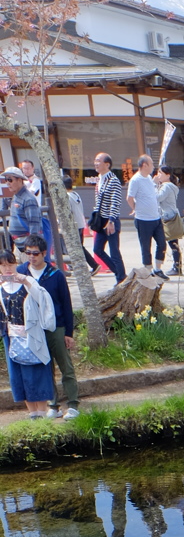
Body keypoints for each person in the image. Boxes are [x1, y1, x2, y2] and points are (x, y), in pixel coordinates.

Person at [17, 234, 79, 417]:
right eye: (27, 253)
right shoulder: (22, 272)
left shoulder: (55, 275)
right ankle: (53, 405)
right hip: (34, 327)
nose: (31, 257)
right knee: (45, 367)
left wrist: (69, 332)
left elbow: (66, 304)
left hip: (56, 326)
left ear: (44, 253)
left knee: (65, 366)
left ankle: (73, 404)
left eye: (35, 253)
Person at [0, 247, 56, 418]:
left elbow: (42, 298)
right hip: (11, 336)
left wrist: (26, 281)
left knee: (38, 371)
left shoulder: (27, 282)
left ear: (16, 264)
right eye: (3, 265)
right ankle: (32, 412)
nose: (7, 268)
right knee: (18, 375)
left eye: (10, 264)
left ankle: (42, 410)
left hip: (32, 334)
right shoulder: (1, 287)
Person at [126, 154, 167, 277]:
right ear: (144, 165)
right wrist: (135, 208)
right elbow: (129, 198)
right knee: (146, 246)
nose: (153, 167)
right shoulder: (135, 179)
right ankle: (148, 271)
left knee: (162, 243)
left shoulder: (148, 178)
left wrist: (155, 182)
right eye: (151, 164)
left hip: (156, 217)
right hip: (143, 219)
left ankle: (158, 269)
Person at [90, 151, 126, 282]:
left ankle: (121, 278)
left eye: (98, 161)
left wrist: (111, 220)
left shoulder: (113, 180)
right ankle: (119, 272)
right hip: (101, 220)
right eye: (95, 160)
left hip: (110, 220)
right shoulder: (99, 179)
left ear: (107, 164)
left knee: (114, 252)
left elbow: (115, 201)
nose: (96, 163)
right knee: (97, 249)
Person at [62, 174, 98, 273]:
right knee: (78, 247)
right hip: (80, 224)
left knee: (76, 248)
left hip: (74, 225)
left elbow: (67, 213)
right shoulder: (75, 194)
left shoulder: (66, 197)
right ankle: (78, 266)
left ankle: (92, 265)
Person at [3, 167, 44, 253]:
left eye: (10, 180)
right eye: (6, 180)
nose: (7, 183)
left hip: (27, 247)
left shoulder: (28, 199)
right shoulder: (16, 196)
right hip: (18, 244)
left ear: (20, 180)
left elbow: (34, 223)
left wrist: (31, 248)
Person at [155, 167, 184, 276]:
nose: (158, 175)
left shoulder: (166, 186)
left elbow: (157, 198)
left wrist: (154, 185)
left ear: (168, 175)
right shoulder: (171, 186)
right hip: (172, 215)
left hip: (168, 217)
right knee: (174, 243)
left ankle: (177, 267)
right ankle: (177, 266)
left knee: (172, 243)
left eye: (160, 173)